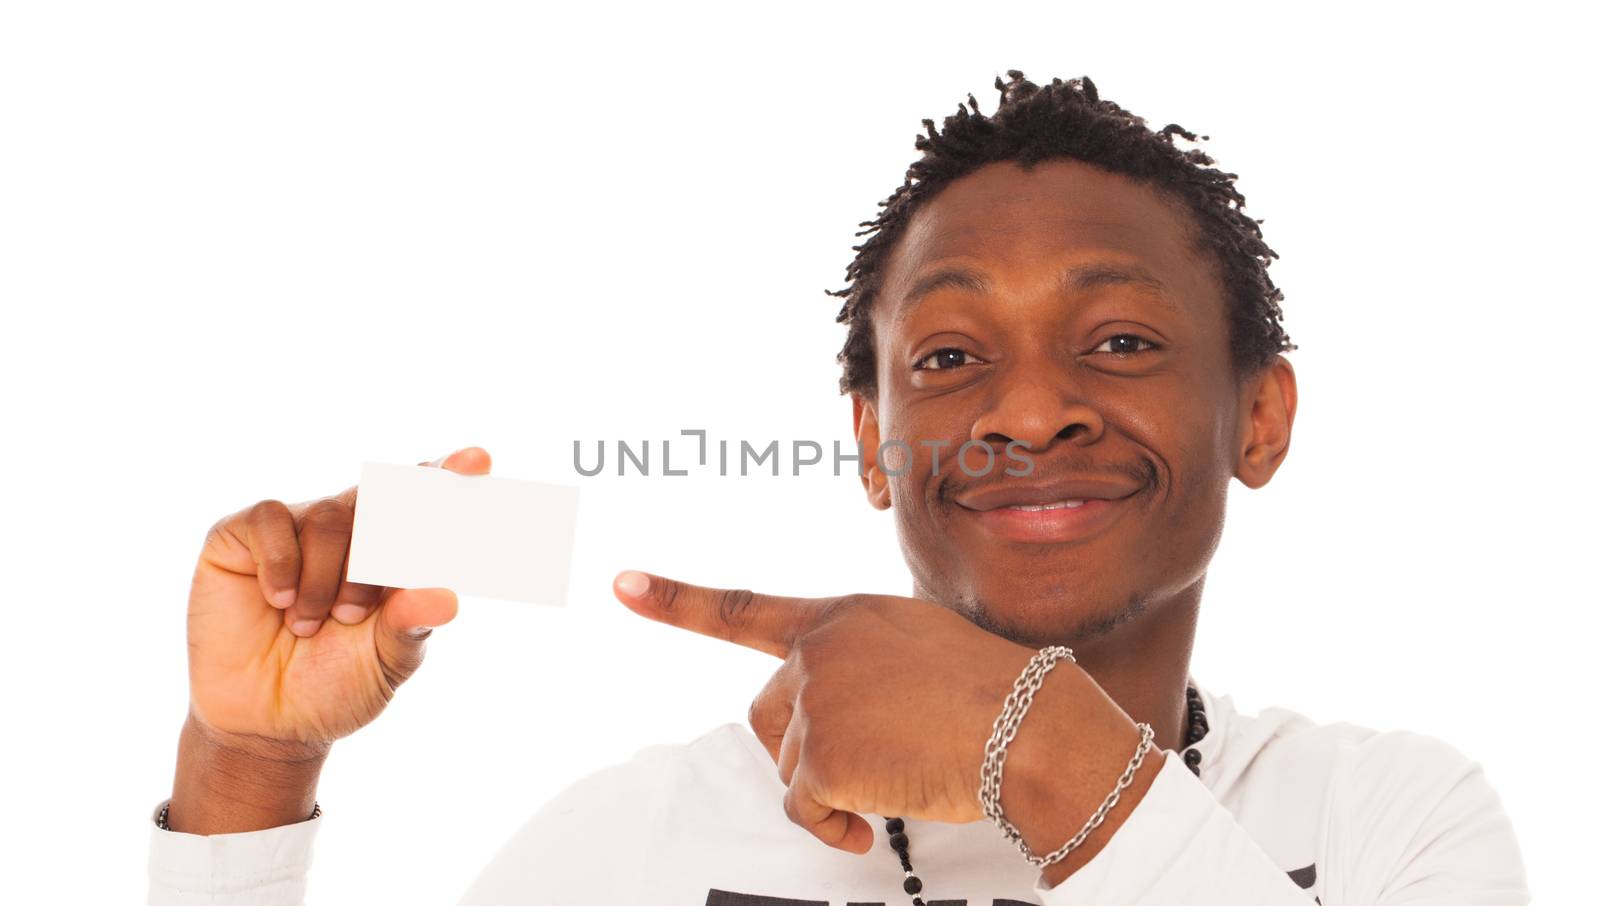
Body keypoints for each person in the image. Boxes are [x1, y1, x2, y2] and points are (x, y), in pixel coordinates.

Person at [147, 72, 1531, 905]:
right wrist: (248, 776)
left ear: (1262, 414)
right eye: (948, 352)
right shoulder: (633, 844)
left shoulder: (1390, 821)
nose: (1033, 405)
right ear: (874, 441)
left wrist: (1042, 749)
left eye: (1119, 340)